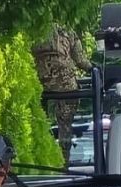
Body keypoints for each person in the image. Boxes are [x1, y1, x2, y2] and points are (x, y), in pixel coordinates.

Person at [32, 26, 92, 161]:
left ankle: (42, 156)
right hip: (66, 86)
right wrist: (94, 69)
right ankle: (64, 161)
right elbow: (81, 60)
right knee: (65, 126)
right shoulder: (67, 30)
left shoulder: (35, 30)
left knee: (40, 124)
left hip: (41, 84)